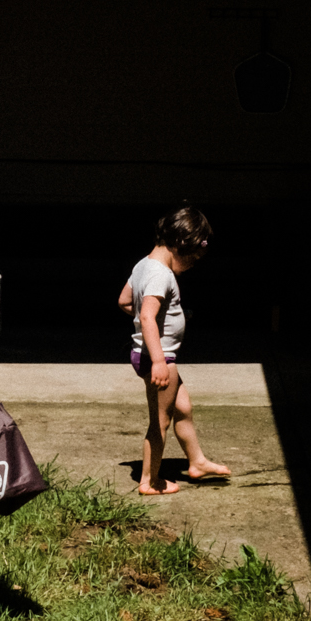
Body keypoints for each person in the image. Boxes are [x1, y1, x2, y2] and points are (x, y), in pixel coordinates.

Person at [117, 204, 232, 496]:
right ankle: (149, 480)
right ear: (181, 244)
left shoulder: (142, 265)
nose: (193, 265)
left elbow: (125, 301)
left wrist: (170, 315)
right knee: (160, 422)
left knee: (183, 409)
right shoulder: (161, 274)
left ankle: (197, 461)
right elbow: (146, 317)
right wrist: (157, 360)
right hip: (160, 358)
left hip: (154, 355)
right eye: (193, 259)